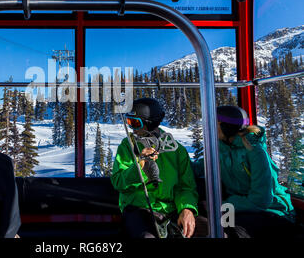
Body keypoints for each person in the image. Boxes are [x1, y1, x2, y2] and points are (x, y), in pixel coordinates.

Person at [111, 98, 208, 238]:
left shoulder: (176, 150)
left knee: (210, 231)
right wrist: (140, 166)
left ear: (151, 123)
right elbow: (118, 182)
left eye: (135, 123)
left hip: (172, 210)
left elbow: (186, 187)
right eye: (129, 122)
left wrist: (187, 209)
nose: (132, 128)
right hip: (139, 209)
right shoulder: (127, 146)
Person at [214, 105, 301, 238]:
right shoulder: (222, 150)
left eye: (215, 124)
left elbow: (261, 200)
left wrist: (222, 205)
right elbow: (200, 170)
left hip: (272, 210)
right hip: (240, 208)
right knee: (210, 225)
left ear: (226, 128)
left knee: (232, 230)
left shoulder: (255, 152)